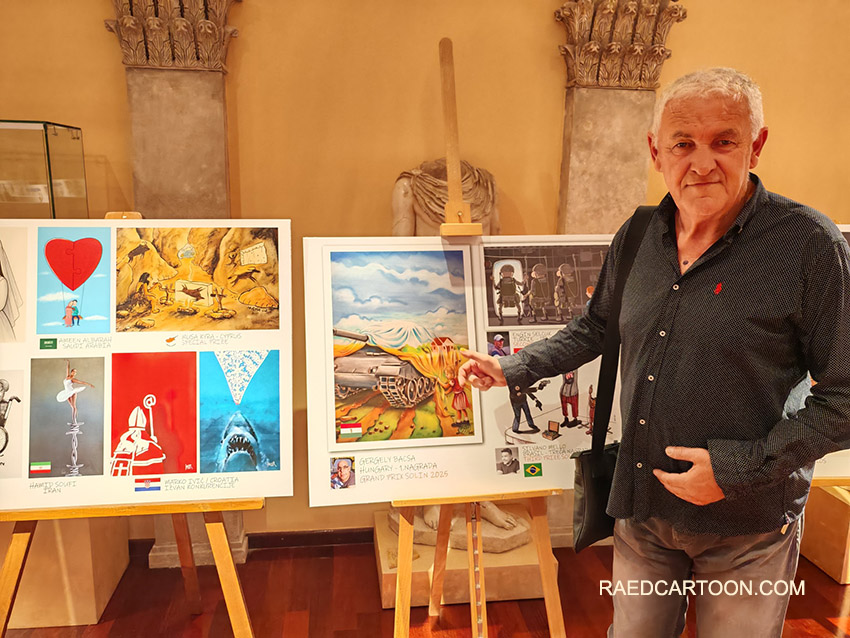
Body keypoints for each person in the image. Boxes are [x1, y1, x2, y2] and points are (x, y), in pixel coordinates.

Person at [459, 68, 850, 637]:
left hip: (748, 527)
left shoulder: (808, 247)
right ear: (655, 152)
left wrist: (736, 470)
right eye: (683, 144)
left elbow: (845, 399)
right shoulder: (639, 234)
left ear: (756, 146)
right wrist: (512, 367)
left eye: (724, 141)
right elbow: (596, 327)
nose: (702, 162)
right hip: (644, 511)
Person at [56, 360, 95, 425]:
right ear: (71, 372)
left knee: (74, 406)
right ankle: (74, 421)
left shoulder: (73, 379)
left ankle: (75, 421)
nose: (74, 373)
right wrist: (68, 362)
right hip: (67, 393)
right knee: (72, 407)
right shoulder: (67, 376)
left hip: (72, 392)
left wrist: (89, 384)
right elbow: (67, 368)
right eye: (74, 371)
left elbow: (81, 382)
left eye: (75, 372)